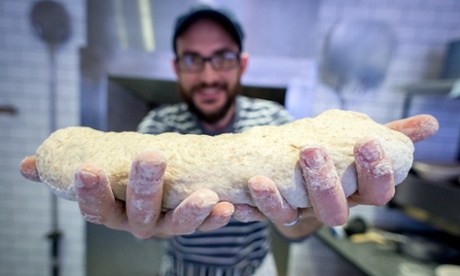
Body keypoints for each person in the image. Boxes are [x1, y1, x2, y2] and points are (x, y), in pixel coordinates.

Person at [20, 5, 439, 276]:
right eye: (193, 60)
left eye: (221, 58)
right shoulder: (157, 126)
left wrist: (307, 214)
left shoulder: (274, 122)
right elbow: (152, 212)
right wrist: (144, 225)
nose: (207, 75)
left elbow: (293, 227)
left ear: (240, 64)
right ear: (177, 67)